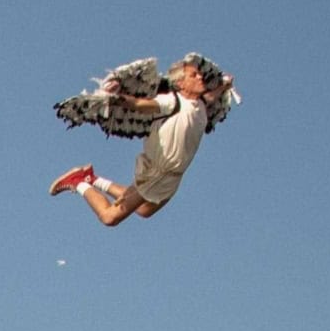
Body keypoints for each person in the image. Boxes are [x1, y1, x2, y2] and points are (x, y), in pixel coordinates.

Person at [49, 55, 232, 225]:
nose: (200, 77)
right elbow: (139, 104)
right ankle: (79, 181)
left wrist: (223, 86)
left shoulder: (201, 104)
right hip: (156, 174)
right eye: (194, 75)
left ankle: (92, 178)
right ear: (181, 83)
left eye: (200, 74)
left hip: (174, 176)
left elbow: (210, 96)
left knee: (144, 210)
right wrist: (114, 98)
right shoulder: (172, 101)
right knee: (109, 218)